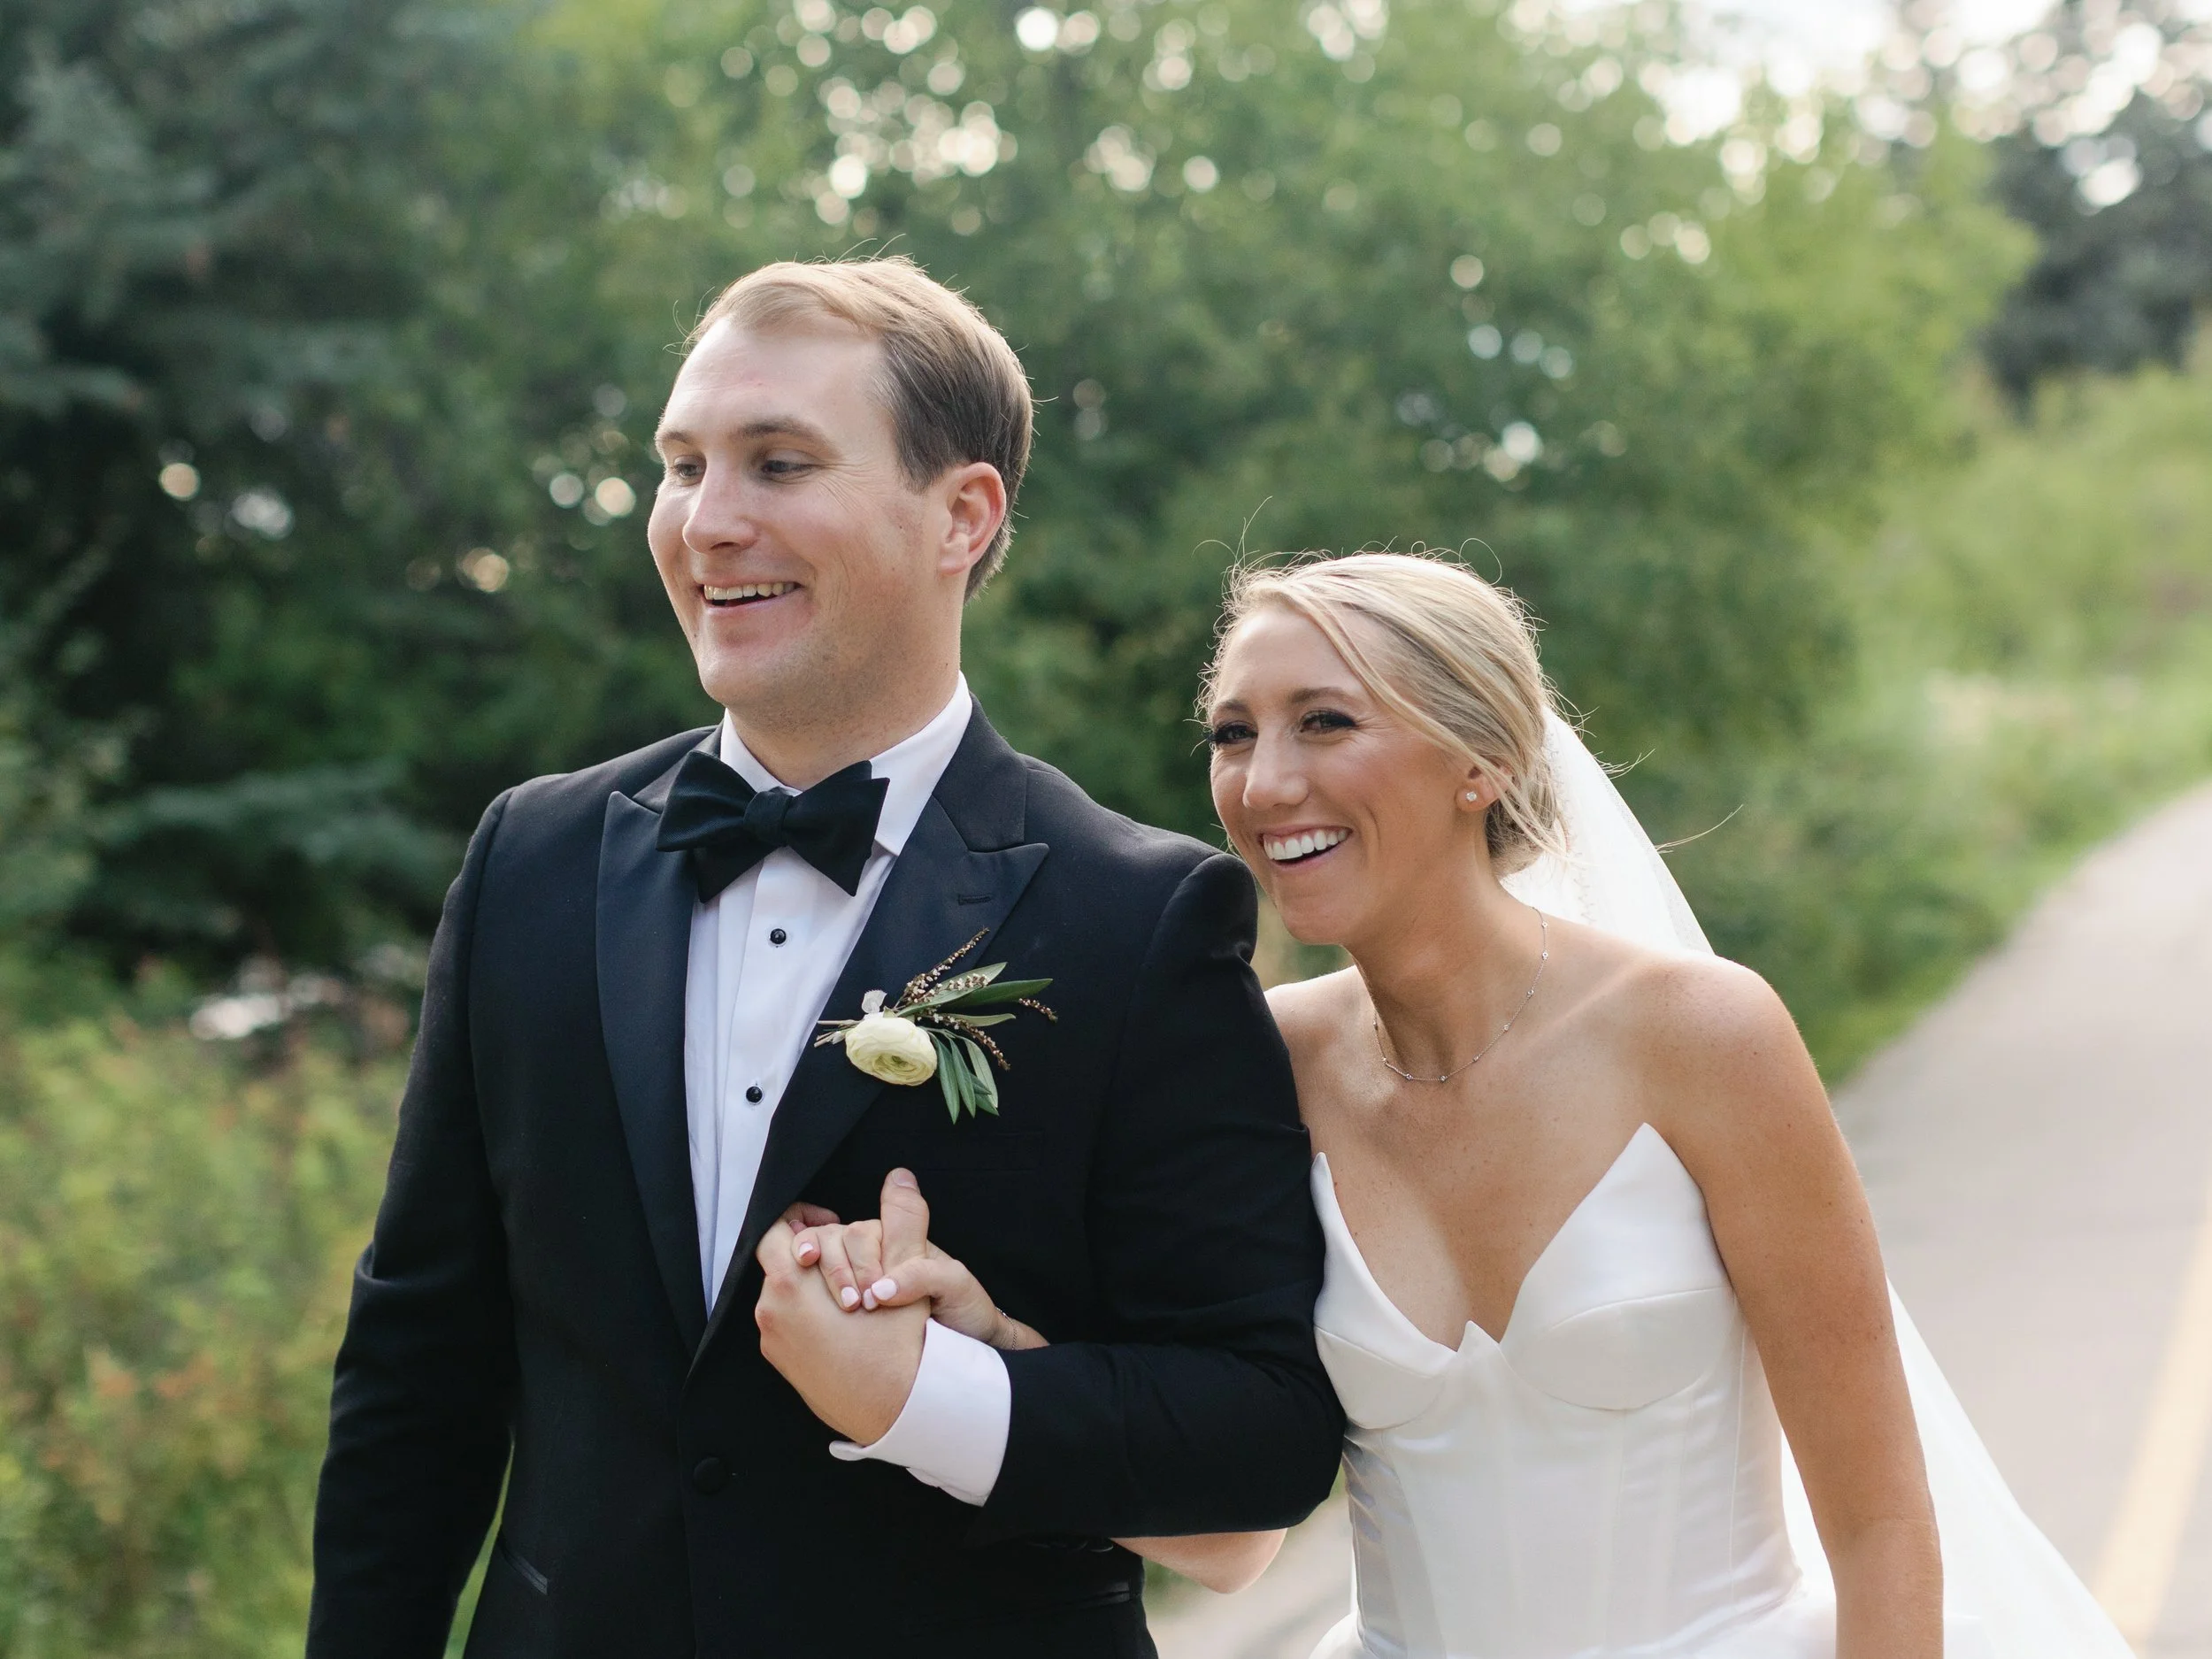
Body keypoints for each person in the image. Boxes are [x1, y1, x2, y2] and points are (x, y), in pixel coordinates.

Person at [799, 551, 2139, 1657]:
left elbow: (1884, 1525)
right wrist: (977, 1349)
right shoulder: (1254, 1065)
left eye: (1327, 720)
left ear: (1479, 760)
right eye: (1234, 731)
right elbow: (1227, 1531)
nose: (1264, 785)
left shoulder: (1702, 1034)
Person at [305, 257, 1343, 1659]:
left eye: (778, 463)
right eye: (681, 467)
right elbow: (418, 1366)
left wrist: (932, 1392)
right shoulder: (530, 861)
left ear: (960, 516)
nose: (707, 522)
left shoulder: (1140, 917)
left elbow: (1261, 1435)